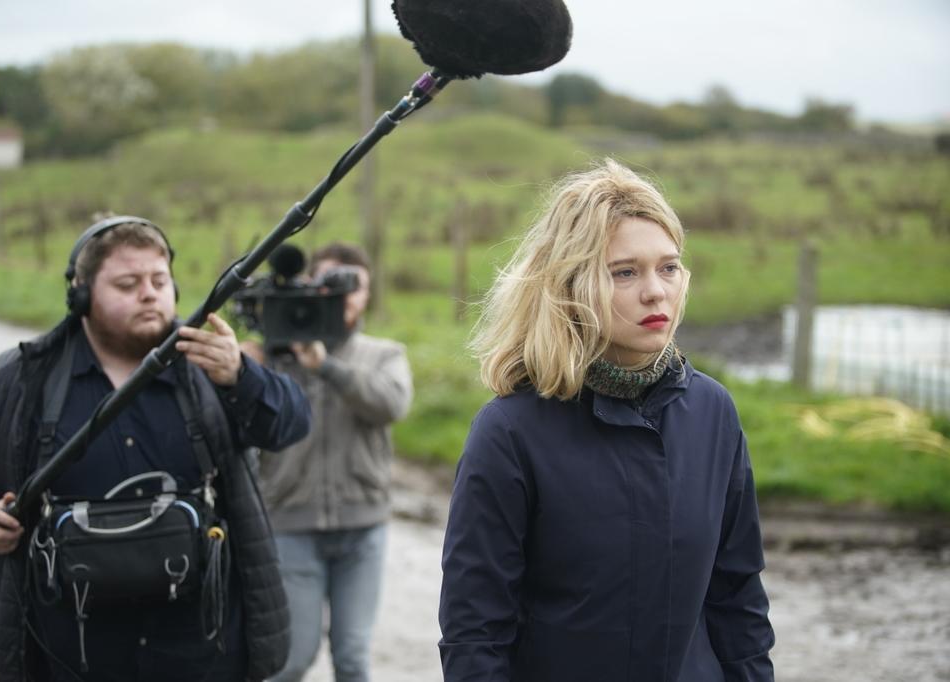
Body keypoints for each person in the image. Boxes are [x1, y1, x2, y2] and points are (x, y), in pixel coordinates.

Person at [0, 216, 311, 682]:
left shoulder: (211, 367)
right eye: (128, 284)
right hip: (71, 655)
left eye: (159, 281)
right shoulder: (25, 377)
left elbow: (291, 424)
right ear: (81, 295)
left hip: (203, 653)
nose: (149, 294)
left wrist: (242, 378)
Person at [438, 159, 775, 681]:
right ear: (571, 284)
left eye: (668, 267)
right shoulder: (509, 433)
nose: (655, 291)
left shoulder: (713, 413)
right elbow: (474, 632)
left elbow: (738, 597)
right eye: (625, 272)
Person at [242, 242, 414, 682]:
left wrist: (326, 367)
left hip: (363, 529)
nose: (347, 296)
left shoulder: (383, 354)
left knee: (352, 658)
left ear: (367, 295)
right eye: (333, 284)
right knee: (292, 659)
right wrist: (246, 369)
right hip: (291, 526)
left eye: (356, 286)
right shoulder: (274, 355)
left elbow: (391, 404)